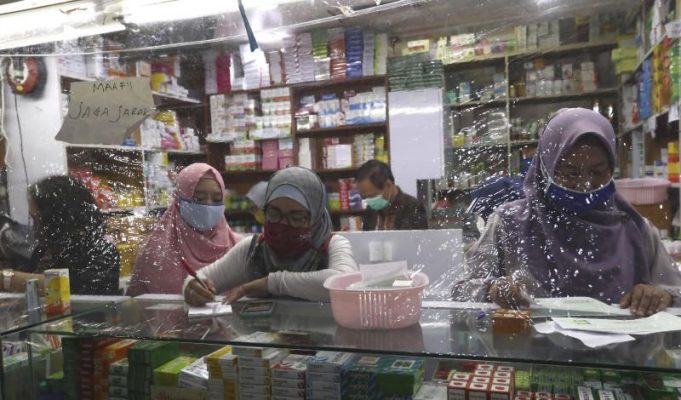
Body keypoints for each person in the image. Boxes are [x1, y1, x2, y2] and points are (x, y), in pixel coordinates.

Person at [452, 108, 681, 317]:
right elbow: (461, 291)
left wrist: (662, 295)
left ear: (612, 168)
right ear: (546, 168)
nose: (585, 184)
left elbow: (675, 291)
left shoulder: (635, 230)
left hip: (624, 349)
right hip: (529, 347)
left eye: (598, 172)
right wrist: (492, 289)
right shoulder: (509, 224)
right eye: (570, 172)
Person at [183, 167, 358, 305]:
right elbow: (199, 278)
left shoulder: (332, 245)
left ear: (316, 218)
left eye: (297, 217)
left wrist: (271, 283)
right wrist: (193, 288)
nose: (283, 224)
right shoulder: (253, 249)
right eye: (274, 213)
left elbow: (345, 284)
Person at [127, 163, 242, 296]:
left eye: (216, 199)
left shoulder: (239, 248)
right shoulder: (155, 251)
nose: (209, 206)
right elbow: (135, 302)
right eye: (198, 199)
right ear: (178, 201)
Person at [1, 176, 119, 295]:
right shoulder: (44, 250)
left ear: (56, 218)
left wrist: (9, 279)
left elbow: (71, 287)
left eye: (38, 219)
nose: (35, 228)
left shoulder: (102, 253)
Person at [355, 160, 428, 231]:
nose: (368, 201)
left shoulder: (413, 208)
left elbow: (414, 238)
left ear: (388, 185)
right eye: (364, 197)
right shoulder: (370, 210)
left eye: (371, 196)